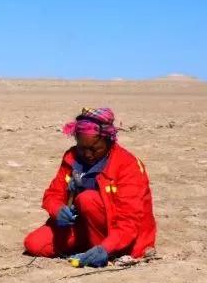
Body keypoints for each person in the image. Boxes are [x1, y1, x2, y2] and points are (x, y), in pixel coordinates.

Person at [23, 107, 156, 267]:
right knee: (35, 244)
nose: (87, 155)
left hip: (120, 234)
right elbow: (53, 194)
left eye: (94, 149)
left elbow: (129, 221)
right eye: (82, 148)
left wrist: (106, 248)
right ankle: (88, 247)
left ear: (109, 141)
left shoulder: (127, 165)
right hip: (82, 226)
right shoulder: (71, 158)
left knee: (87, 199)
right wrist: (58, 210)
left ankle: (103, 251)